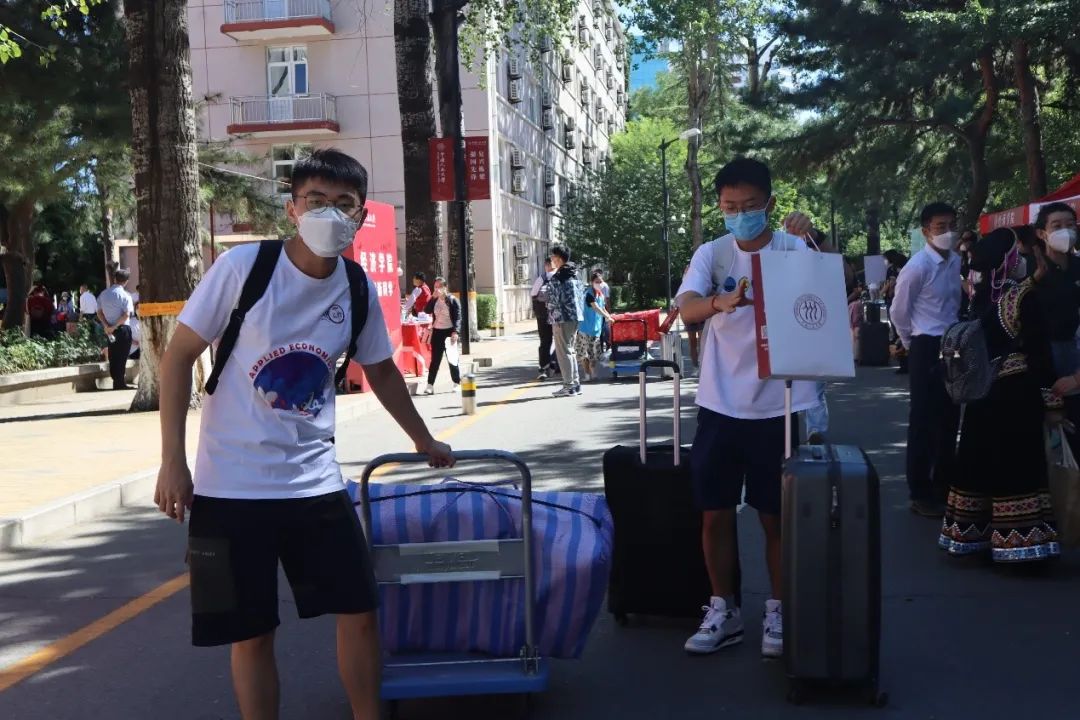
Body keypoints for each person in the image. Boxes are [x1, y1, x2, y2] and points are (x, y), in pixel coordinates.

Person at [154, 149, 455, 720]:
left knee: (360, 612)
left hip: (314, 485)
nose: (330, 213)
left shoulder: (355, 286)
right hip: (231, 488)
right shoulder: (244, 269)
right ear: (292, 209)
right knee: (252, 634)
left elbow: (382, 370)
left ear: (360, 216)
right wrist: (173, 462)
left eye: (344, 204)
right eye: (316, 201)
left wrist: (423, 439)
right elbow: (177, 357)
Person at [675, 157, 816, 660]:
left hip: (779, 405)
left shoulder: (793, 247)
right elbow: (686, 307)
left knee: (775, 518)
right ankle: (724, 609)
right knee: (714, 514)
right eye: (729, 206)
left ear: (769, 204)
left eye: (749, 205)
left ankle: (779, 610)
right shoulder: (713, 254)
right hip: (720, 404)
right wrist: (720, 302)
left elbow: (825, 295)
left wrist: (812, 240)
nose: (739, 214)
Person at [939, 228, 1063, 562]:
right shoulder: (1023, 297)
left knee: (977, 462)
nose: (1020, 258)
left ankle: (970, 537)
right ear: (1008, 260)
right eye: (1016, 253)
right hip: (1016, 393)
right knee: (1016, 464)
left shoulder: (977, 296)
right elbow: (1039, 354)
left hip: (981, 392)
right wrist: (1052, 399)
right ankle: (1019, 544)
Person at [890, 202, 963, 518]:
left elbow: (955, 303)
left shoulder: (955, 261)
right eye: (940, 227)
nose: (947, 232)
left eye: (951, 225)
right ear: (926, 231)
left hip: (952, 342)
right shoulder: (917, 267)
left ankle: (944, 486)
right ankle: (920, 491)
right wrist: (911, 343)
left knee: (950, 416)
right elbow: (898, 311)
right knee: (923, 419)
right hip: (925, 343)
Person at [543, 243, 584, 397]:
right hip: (576, 316)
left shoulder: (558, 277)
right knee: (571, 350)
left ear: (559, 258)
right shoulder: (576, 274)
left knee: (563, 352)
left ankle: (568, 385)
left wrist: (548, 306)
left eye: (553, 256)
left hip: (561, 317)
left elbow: (552, 300)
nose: (552, 259)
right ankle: (575, 384)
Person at [97, 268, 136, 390]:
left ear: (114, 279)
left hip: (110, 330)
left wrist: (107, 326)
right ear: (126, 281)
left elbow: (99, 312)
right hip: (123, 329)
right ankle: (120, 382)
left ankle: (116, 381)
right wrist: (115, 326)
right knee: (122, 356)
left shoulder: (103, 294)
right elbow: (126, 315)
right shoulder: (125, 295)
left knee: (113, 355)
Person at [423, 277, 461, 394]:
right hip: (437, 332)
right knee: (435, 360)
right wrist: (432, 297)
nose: (437, 289)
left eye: (440, 286)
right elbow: (426, 310)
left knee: (452, 359)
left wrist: (455, 331)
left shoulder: (452, 300)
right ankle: (430, 385)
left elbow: (458, 317)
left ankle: (456, 383)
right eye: (435, 287)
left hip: (449, 332)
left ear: (445, 287)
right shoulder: (434, 300)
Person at [576, 274, 614, 382]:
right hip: (585, 328)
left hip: (596, 329)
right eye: (597, 281)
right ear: (591, 282)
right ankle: (587, 374)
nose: (599, 284)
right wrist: (607, 316)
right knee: (585, 353)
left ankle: (593, 372)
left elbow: (602, 308)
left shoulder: (600, 294)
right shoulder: (588, 294)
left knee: (594, 353)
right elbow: (596, 308)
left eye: (601, 281)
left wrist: (609, 316)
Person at [531, 260, 555, 380]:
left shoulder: (542, 278)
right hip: (559, 315)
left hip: (543, 315)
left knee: (545, 341)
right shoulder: (561, 276)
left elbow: (533, 294)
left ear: (546, 266)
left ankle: (544, 368)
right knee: (563, 342)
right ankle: (556, 364)